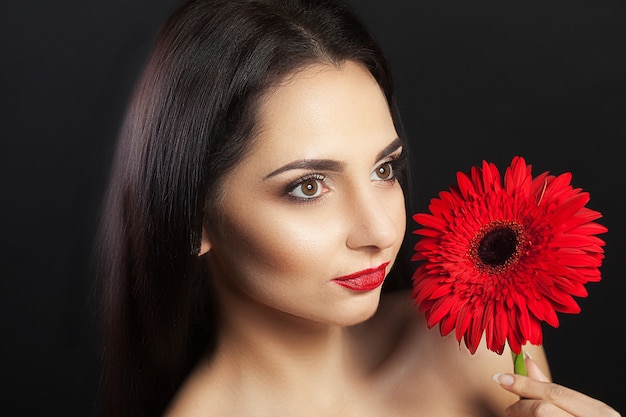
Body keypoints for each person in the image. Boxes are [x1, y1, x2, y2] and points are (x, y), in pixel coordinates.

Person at [96, 0, 621, 416]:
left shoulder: (477, 344)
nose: (380, 230)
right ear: (193, 217)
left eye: (384, 169)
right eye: (308, 187)